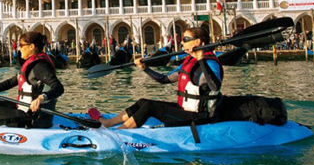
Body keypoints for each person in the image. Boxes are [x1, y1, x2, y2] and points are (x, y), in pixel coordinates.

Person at [89, 27, 223, 129]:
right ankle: (107, 123)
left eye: (185, 39)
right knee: (142, 101)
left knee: (150, 106)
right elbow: (164, 79)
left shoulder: (210, 63)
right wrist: (145, 68)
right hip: (186, 111)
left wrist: (200, 59)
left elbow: (215, 86)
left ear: (198, 42)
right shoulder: (188, 62)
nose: (181, 42)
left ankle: (120, 133)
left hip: (200, 117)